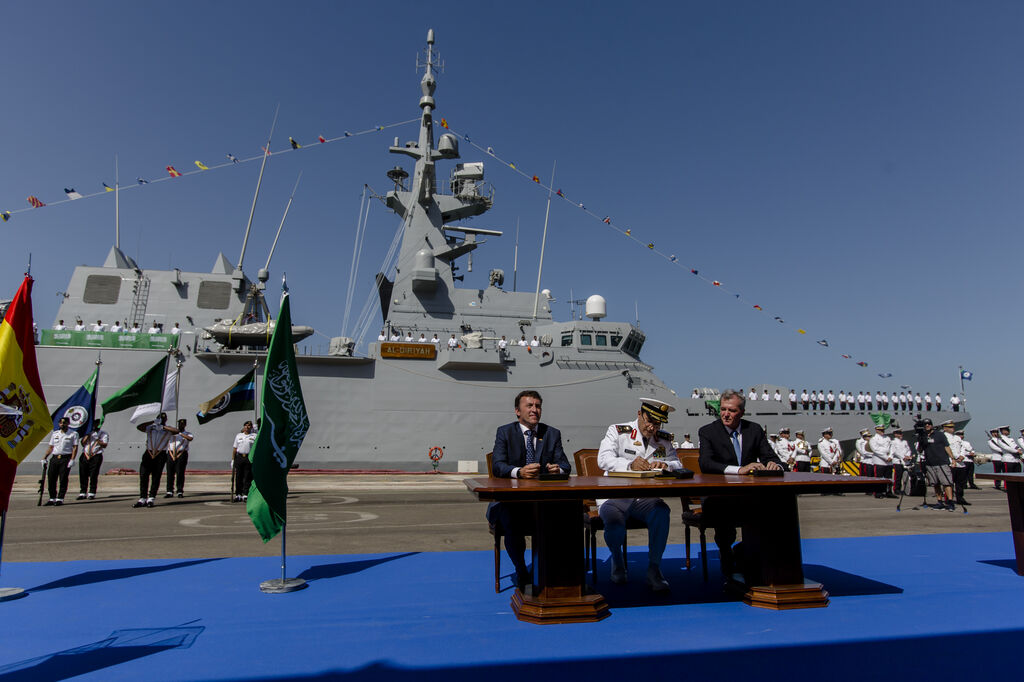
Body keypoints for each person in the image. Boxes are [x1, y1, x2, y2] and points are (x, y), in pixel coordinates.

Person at [697, 389, 783, 580]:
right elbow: (706, 463)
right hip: (720, 496)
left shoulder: (754, 430)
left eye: (732, 410)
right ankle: (728, 561)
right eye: (723, 409)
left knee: (777, 511)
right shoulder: (708, 432)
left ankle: (752, 555)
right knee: (724, 514)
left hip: (749, 495)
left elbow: (773, 458)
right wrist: (739, 469)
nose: (726, 414)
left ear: (742, 412)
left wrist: (773, 465)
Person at [487, 390, 570, 588]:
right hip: (512, 501)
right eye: (530, 406)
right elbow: (497, 465)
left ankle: (553, 569)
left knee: (564, 518)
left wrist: (558, 468)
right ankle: (521, 568)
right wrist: (519, 472)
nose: (535, 410)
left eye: (538, 406)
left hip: (543, 501)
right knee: (512, 522)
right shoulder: (505, 432)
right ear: (517, 411)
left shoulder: (552, 434)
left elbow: (566, 466)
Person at [597, 398, 681, 592]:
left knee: (662, 512)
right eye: (649, 421)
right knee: (615, 525)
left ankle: (654, 569)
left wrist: (666, 465)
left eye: (657, 423)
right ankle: (617, 560)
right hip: (616, 496)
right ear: (639, 414)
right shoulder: (618, 431)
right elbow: (604, 459)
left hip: (645, 498)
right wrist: (628, 465)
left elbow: (678, 464)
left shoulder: (664, 439)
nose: (652, 427)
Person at [135, 413, 177, 508]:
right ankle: (142, 498)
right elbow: (139, 427)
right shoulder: (151, 428)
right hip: (149, 453)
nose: (161, 420)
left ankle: (151, 498)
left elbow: (176, 431)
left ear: (166, 419)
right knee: (143, 475)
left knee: (156, 477)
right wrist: (153, 422)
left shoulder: (167, 429)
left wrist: (163, 427)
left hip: (160, 454)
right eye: (159, 419)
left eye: (163, 419)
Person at [918, 418, 955, 510]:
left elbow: (947, 447)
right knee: (936, 484)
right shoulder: (923, 436)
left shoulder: (940, 435)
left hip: (942, 462)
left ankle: (950, 502)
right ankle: (939, 502)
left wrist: (953, 459)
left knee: (947, 483)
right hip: (930, 463)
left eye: (929, 424)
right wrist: (920, 440)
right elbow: (920, 450)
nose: (927, 426)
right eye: (925, 425)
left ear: (932, 425)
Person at [41, 417, 79, 505]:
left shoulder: (73, 434)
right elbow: (51, 447)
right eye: (61, 423)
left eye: (64, 423)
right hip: (54, 458)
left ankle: (60, 498)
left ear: (68, 424)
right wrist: (44, 457)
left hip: (65, 458)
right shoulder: (55, 434)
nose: (62, 424)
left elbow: (75, 447)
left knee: (63, 478)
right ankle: (52, 498)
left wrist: (72, 459)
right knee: (51, 478)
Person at [77, 422, 108, 500]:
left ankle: (92, 492)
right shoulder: (88, 432)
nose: (96, 426)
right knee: (83, 474)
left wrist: (98, 440)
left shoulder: (103, 434)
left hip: (96, 455)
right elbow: (83, 443)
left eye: (97, 425)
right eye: (94, 424)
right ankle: (83, 492)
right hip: (85, 455)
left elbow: (104, 445)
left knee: (93, 474)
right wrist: (87, 435)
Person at [165, 419, 194, 498]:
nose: (180, 425)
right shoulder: (172, 433)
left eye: (182, 424)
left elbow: (190, 438)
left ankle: (180, 491)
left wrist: (180, 433)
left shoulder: (187, 433)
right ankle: (169, 491)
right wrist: (175, 431)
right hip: (171, 453)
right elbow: (165, 428)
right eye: (179, 424)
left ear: (185, 425)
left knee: (180, 473)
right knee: (170, 473)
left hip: (181, 454)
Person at [232, 420, 258, 502]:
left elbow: (256, 448)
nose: (247, 427)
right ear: (244, 427)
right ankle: (238, 494)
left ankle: (245, 494)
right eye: (246, 425)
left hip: (248, 457)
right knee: (238, 476)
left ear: (251, 427)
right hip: (239, 457)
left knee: (247, 476)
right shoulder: (239, 436)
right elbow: (235, 449)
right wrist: (233, 459)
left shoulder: (254, 436)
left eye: (249, 426)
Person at [944, 421, 969, 505]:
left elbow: (963, 448)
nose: (952, 429)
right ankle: (948, 499)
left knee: (960, 483)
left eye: (953, 427)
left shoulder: (957, 438)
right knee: (949, 482)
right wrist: (957, 457)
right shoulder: (944, 437)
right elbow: (948, 448)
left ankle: (960, 498)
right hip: (951, 462)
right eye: (950, 427)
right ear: (945, 428)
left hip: (960, 463)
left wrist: (962, 456)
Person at [869, 425, 896, 498]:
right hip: (879, 461)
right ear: (876, 430)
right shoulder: (873, 439)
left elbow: (892, 448)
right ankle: (878, 493)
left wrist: (890, 456)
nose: (882, 431)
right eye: (880, 430)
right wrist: (885, 457)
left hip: (888, 461)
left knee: (889, 478)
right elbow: (875, 450)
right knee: (879, 478)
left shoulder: (887, 438)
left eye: (883, 430)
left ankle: (889, 492)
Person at [891, 429, 913, 495]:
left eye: (901, 433)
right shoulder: (893, 442)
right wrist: (902, 457)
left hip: (906, 461)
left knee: (906, 476)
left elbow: (908, 450)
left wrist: (907, 456)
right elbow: (894, 451)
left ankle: (906, 489)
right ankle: (896, 489)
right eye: (899, 433)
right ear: (895, 434)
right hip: (898, 461)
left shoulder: (904, 442)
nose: (901, 435)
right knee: (898, 476)